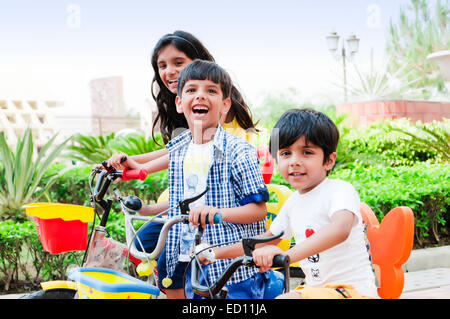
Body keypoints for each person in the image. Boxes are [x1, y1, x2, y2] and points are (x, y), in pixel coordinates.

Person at [103, 30, 259, 254]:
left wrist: (140, 166)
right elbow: (174, 150)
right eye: (162, 66)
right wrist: (120, 162)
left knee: (164, 254)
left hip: (217, 204)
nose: (170, 71)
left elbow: (193, 152)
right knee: (144, 246)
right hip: (182, 199)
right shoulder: (184, 107)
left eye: (179, 62)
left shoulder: (219, 110)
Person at [136, 60, 269, 299]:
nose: (200, 96)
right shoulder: (179, 148)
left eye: (211, 91)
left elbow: (258, 210)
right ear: (179, 103)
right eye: (191, 90)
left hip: (232, 270)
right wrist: (147, 209)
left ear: (225, 105)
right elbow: (182, 201)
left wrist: (217, 212)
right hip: (191, 262)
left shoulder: (238, 151)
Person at [212, 108, 379, 299]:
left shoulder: (339, 190)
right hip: (315, 290)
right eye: (285, 153)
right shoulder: (293, 202)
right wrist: (214, 253)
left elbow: (340, 229)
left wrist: (288, 256)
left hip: (352, 291)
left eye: (306, 152)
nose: (294, 162)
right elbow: (264, 240)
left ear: (329, 160)